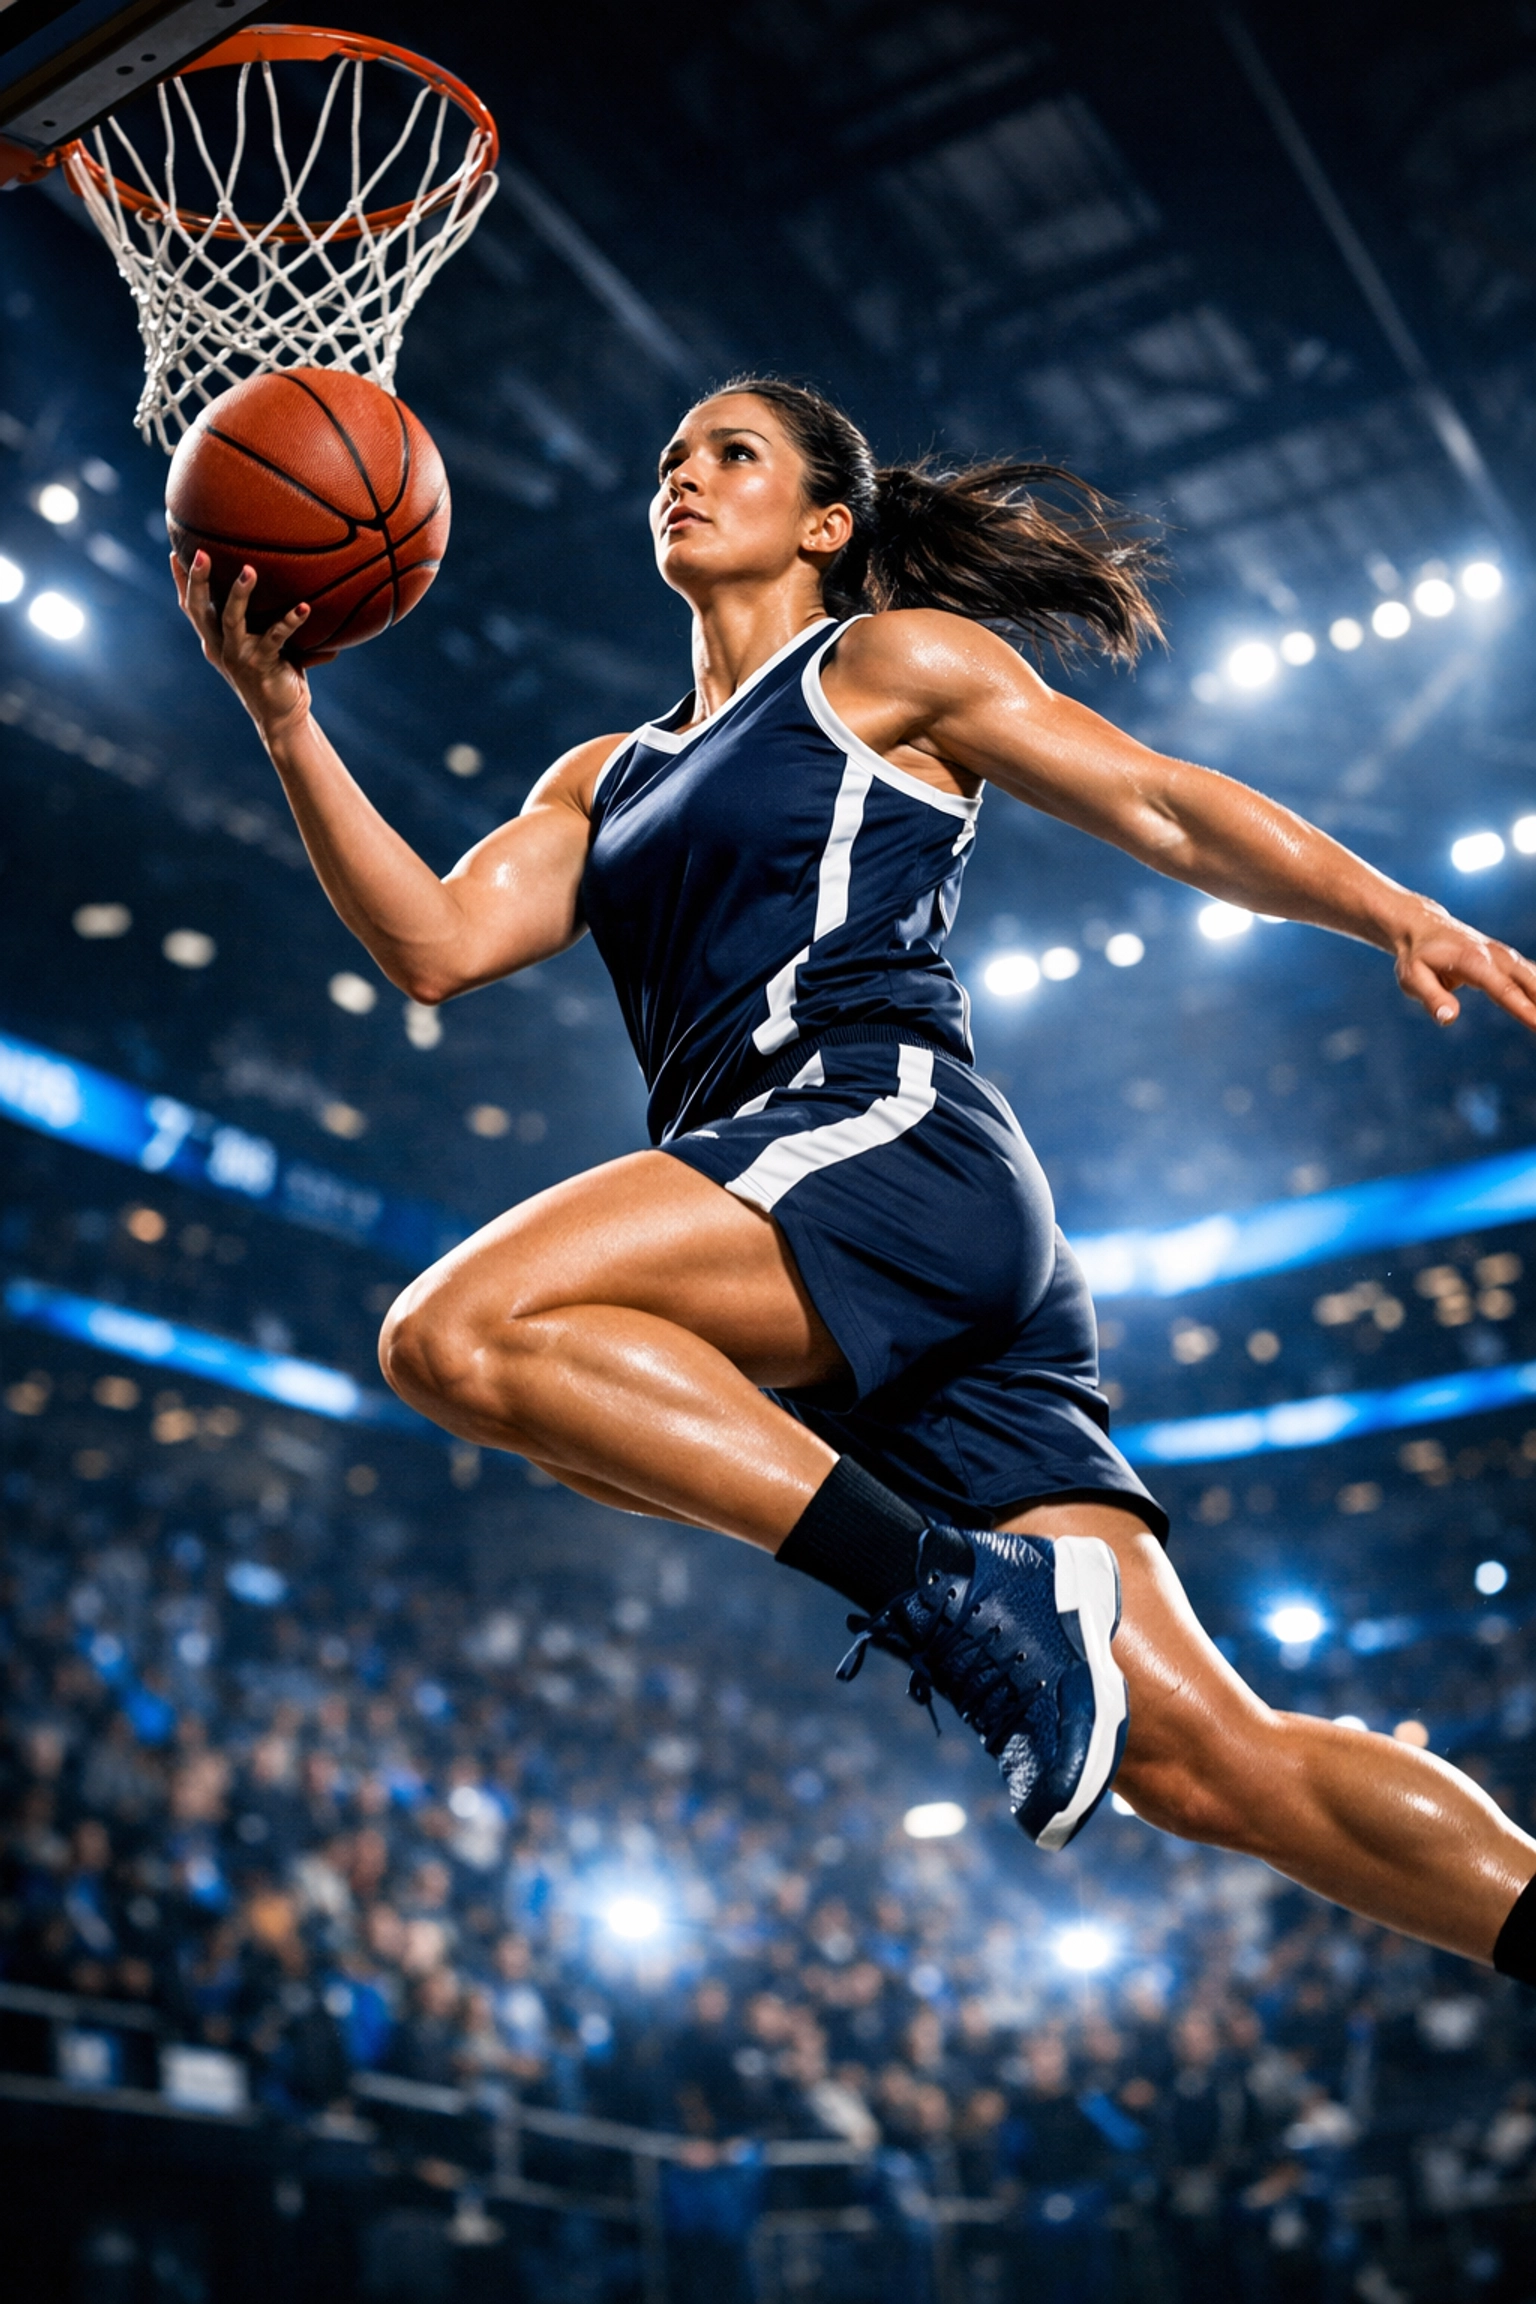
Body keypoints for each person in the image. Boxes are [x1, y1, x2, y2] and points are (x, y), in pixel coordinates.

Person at [174, 374, 1536, 1975]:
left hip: (877, 1134)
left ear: (827, 523)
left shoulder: (882, 664)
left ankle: (966, 1597)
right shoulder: (598, 778)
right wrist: (287, 722)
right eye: (669, 454)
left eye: (730, 454)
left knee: (455, 1337)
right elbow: (435, 944)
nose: (683, 474)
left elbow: (1160, 804)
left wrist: (1396, 911)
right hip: (839, 1243)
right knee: (1211, 1767)